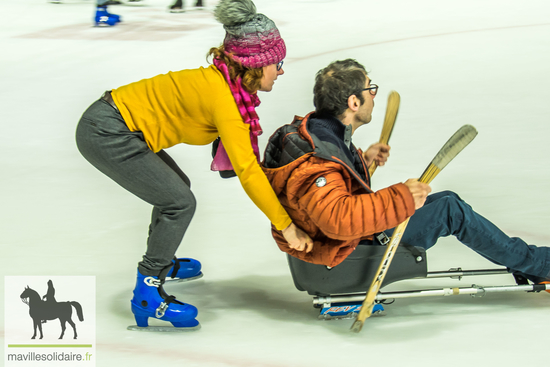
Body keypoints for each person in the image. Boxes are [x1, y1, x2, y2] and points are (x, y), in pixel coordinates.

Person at [76, 0, 312, 331]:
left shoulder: (224, 83)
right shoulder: (226, 101)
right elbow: (248, 170)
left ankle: (162, 262)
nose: (282, 70)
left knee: (177, 190)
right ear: (256, 66)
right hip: (107, 131)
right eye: (278, 63)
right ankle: (147, 293)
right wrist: (287, 225)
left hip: (115, 122)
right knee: (179, 202)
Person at [261, 58, 550, 289]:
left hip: (343, 243)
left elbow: (330, 184)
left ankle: (524, 262)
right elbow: (338, 219)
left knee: (447, 199)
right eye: (368, 89)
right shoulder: (321, 161)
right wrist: (401, 196)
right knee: (451, 211)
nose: (373, 94)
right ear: (353, 102)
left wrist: (363, 160)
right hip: (348, 253)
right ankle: (539, 264)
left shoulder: (316, 132)